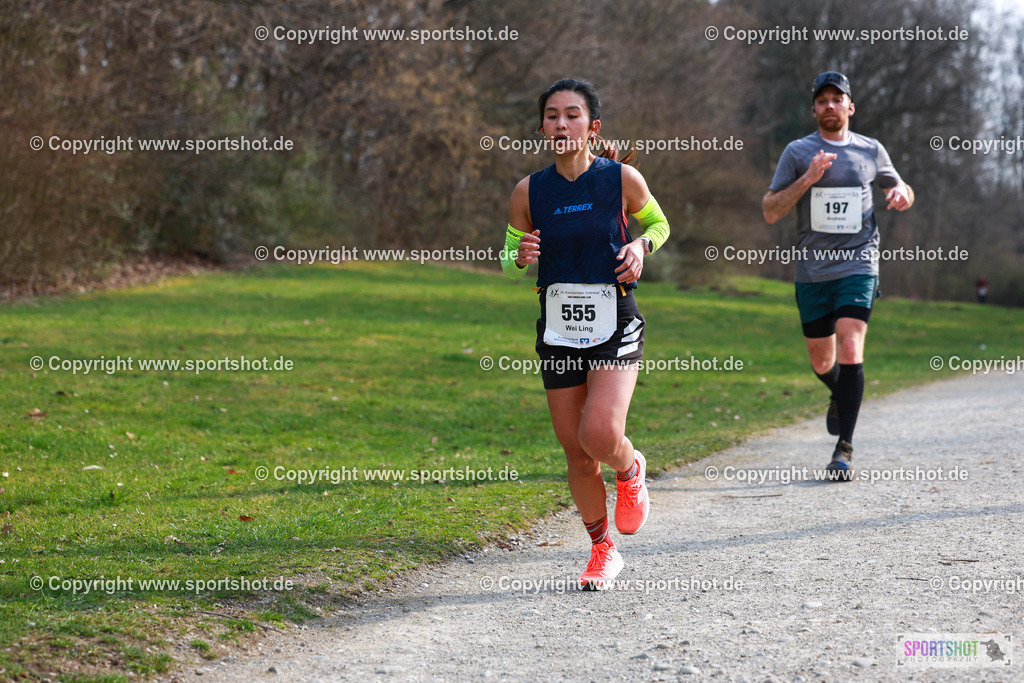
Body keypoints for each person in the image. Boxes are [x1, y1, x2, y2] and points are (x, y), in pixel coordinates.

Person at [501, 78, 670, 589]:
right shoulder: (528, 191)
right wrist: (518, 256)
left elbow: (659, 225)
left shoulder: (622, 179)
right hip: (557, 328)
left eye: (571, 115)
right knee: (575, 452)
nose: (560, 124)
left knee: (598, 435)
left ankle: (630, 466)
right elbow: (510, 259)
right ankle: (602, 549)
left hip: (615, 319)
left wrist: (640, 249)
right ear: (543, 127)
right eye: (552, 115)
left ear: (592, 128)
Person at [763, 71, 914, 481]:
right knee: (821, 357)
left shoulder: (871, 149)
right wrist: (809, 178)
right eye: (822, 100)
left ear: (851, 106)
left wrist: (901, 192)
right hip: (813, 270)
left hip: (859, 263)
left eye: (837, 99)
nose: (830, 106)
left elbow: (901, 185)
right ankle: (839, 394)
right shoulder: (797, 152)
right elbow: (771, 209)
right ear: (813, 109)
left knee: (850, 342)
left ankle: (843, 449)